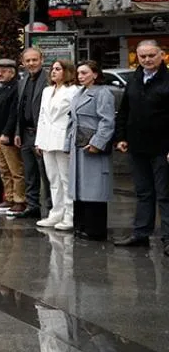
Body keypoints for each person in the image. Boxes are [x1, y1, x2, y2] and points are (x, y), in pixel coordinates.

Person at [113, 40, 169, 251]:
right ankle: (141, 233)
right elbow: (124, 111)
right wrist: (121, 137)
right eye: (142, 56)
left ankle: (168, 238)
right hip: (137, 146)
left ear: (161, 55)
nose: (147, 60)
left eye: (151, 55)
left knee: (165, 195)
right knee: (143, 192)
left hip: (162, 148)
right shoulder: (134, 79)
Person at [70, 61, 116, 241]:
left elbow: (107, 121)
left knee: (94, 187)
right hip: (79, 144)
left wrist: (98, 142)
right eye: (79, 73)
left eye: (84, 73)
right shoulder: (79, 93)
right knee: (81, 186)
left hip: (92, 145)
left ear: (95, 74)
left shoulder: (103, 93)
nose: (80, 76)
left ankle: (95, 229)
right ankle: (81, 225)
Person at [36, 59, 79, 231]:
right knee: (53, 178)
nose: (53, 72)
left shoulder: (73, 91)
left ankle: (70, 215)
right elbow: (42, 116)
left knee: (66, 178)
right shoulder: (47, 90)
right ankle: (56, 212)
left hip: (63, 138)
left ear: (67, 71)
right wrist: (39, 140)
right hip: (46, 138)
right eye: (53, 69)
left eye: (58, 69)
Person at [12, 47, 49, 219]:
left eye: (34, 60)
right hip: (26, 133)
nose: (31, 63)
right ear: (23, 62)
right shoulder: (23, 79)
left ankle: (51, 207)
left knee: (46, 174)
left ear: (42, 60)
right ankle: (32, 205)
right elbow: (19, 108)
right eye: (28, 61)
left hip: (42, 133)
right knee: (29, 172)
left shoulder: (48, 79)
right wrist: (17, 132)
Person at [0, 58, 26, 213]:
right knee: (4, 169)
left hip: (6, 136)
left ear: (12, 73)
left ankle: (19, 200)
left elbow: (13, 113)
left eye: (3, 71)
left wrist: (7, 133)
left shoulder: (15, 88)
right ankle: (9, 198)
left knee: (15, 170)